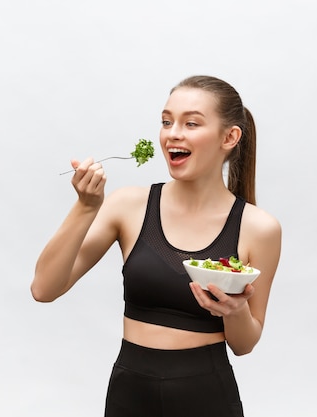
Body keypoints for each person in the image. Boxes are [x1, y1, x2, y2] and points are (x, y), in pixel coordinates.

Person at [31, 75, 282, 417]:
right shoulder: (129, 205)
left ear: (230, 137)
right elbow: (44, 288)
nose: (173, 133)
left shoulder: (259, 227)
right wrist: (86, 207)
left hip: (207, 397)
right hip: (129, 395)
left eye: (191, 123)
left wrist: (236, 311)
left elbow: (244, 344)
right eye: (167, 122)